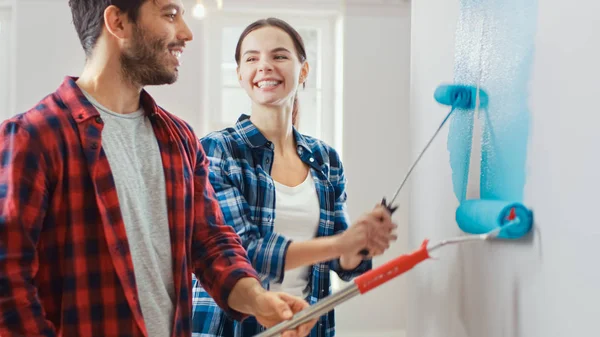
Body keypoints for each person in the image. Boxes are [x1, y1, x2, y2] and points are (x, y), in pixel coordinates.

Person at [0, 2, 316, 337]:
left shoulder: (178, 138)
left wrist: (257, 299)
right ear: (118, 22)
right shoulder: (32, 138)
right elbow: (7, 282)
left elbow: (209, 243)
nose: (186, 33)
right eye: (170, 14)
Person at [191, 17, 398, 337]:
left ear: (303, 71)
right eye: (252, 58)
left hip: (306, 327)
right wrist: (341, 242)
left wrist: (360, 241)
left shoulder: (325, 160)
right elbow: (242, 252)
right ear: (241, 75)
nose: (264, 66)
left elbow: (342, 263)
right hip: (231, 328)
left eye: (279, 56)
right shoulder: (218, 150)